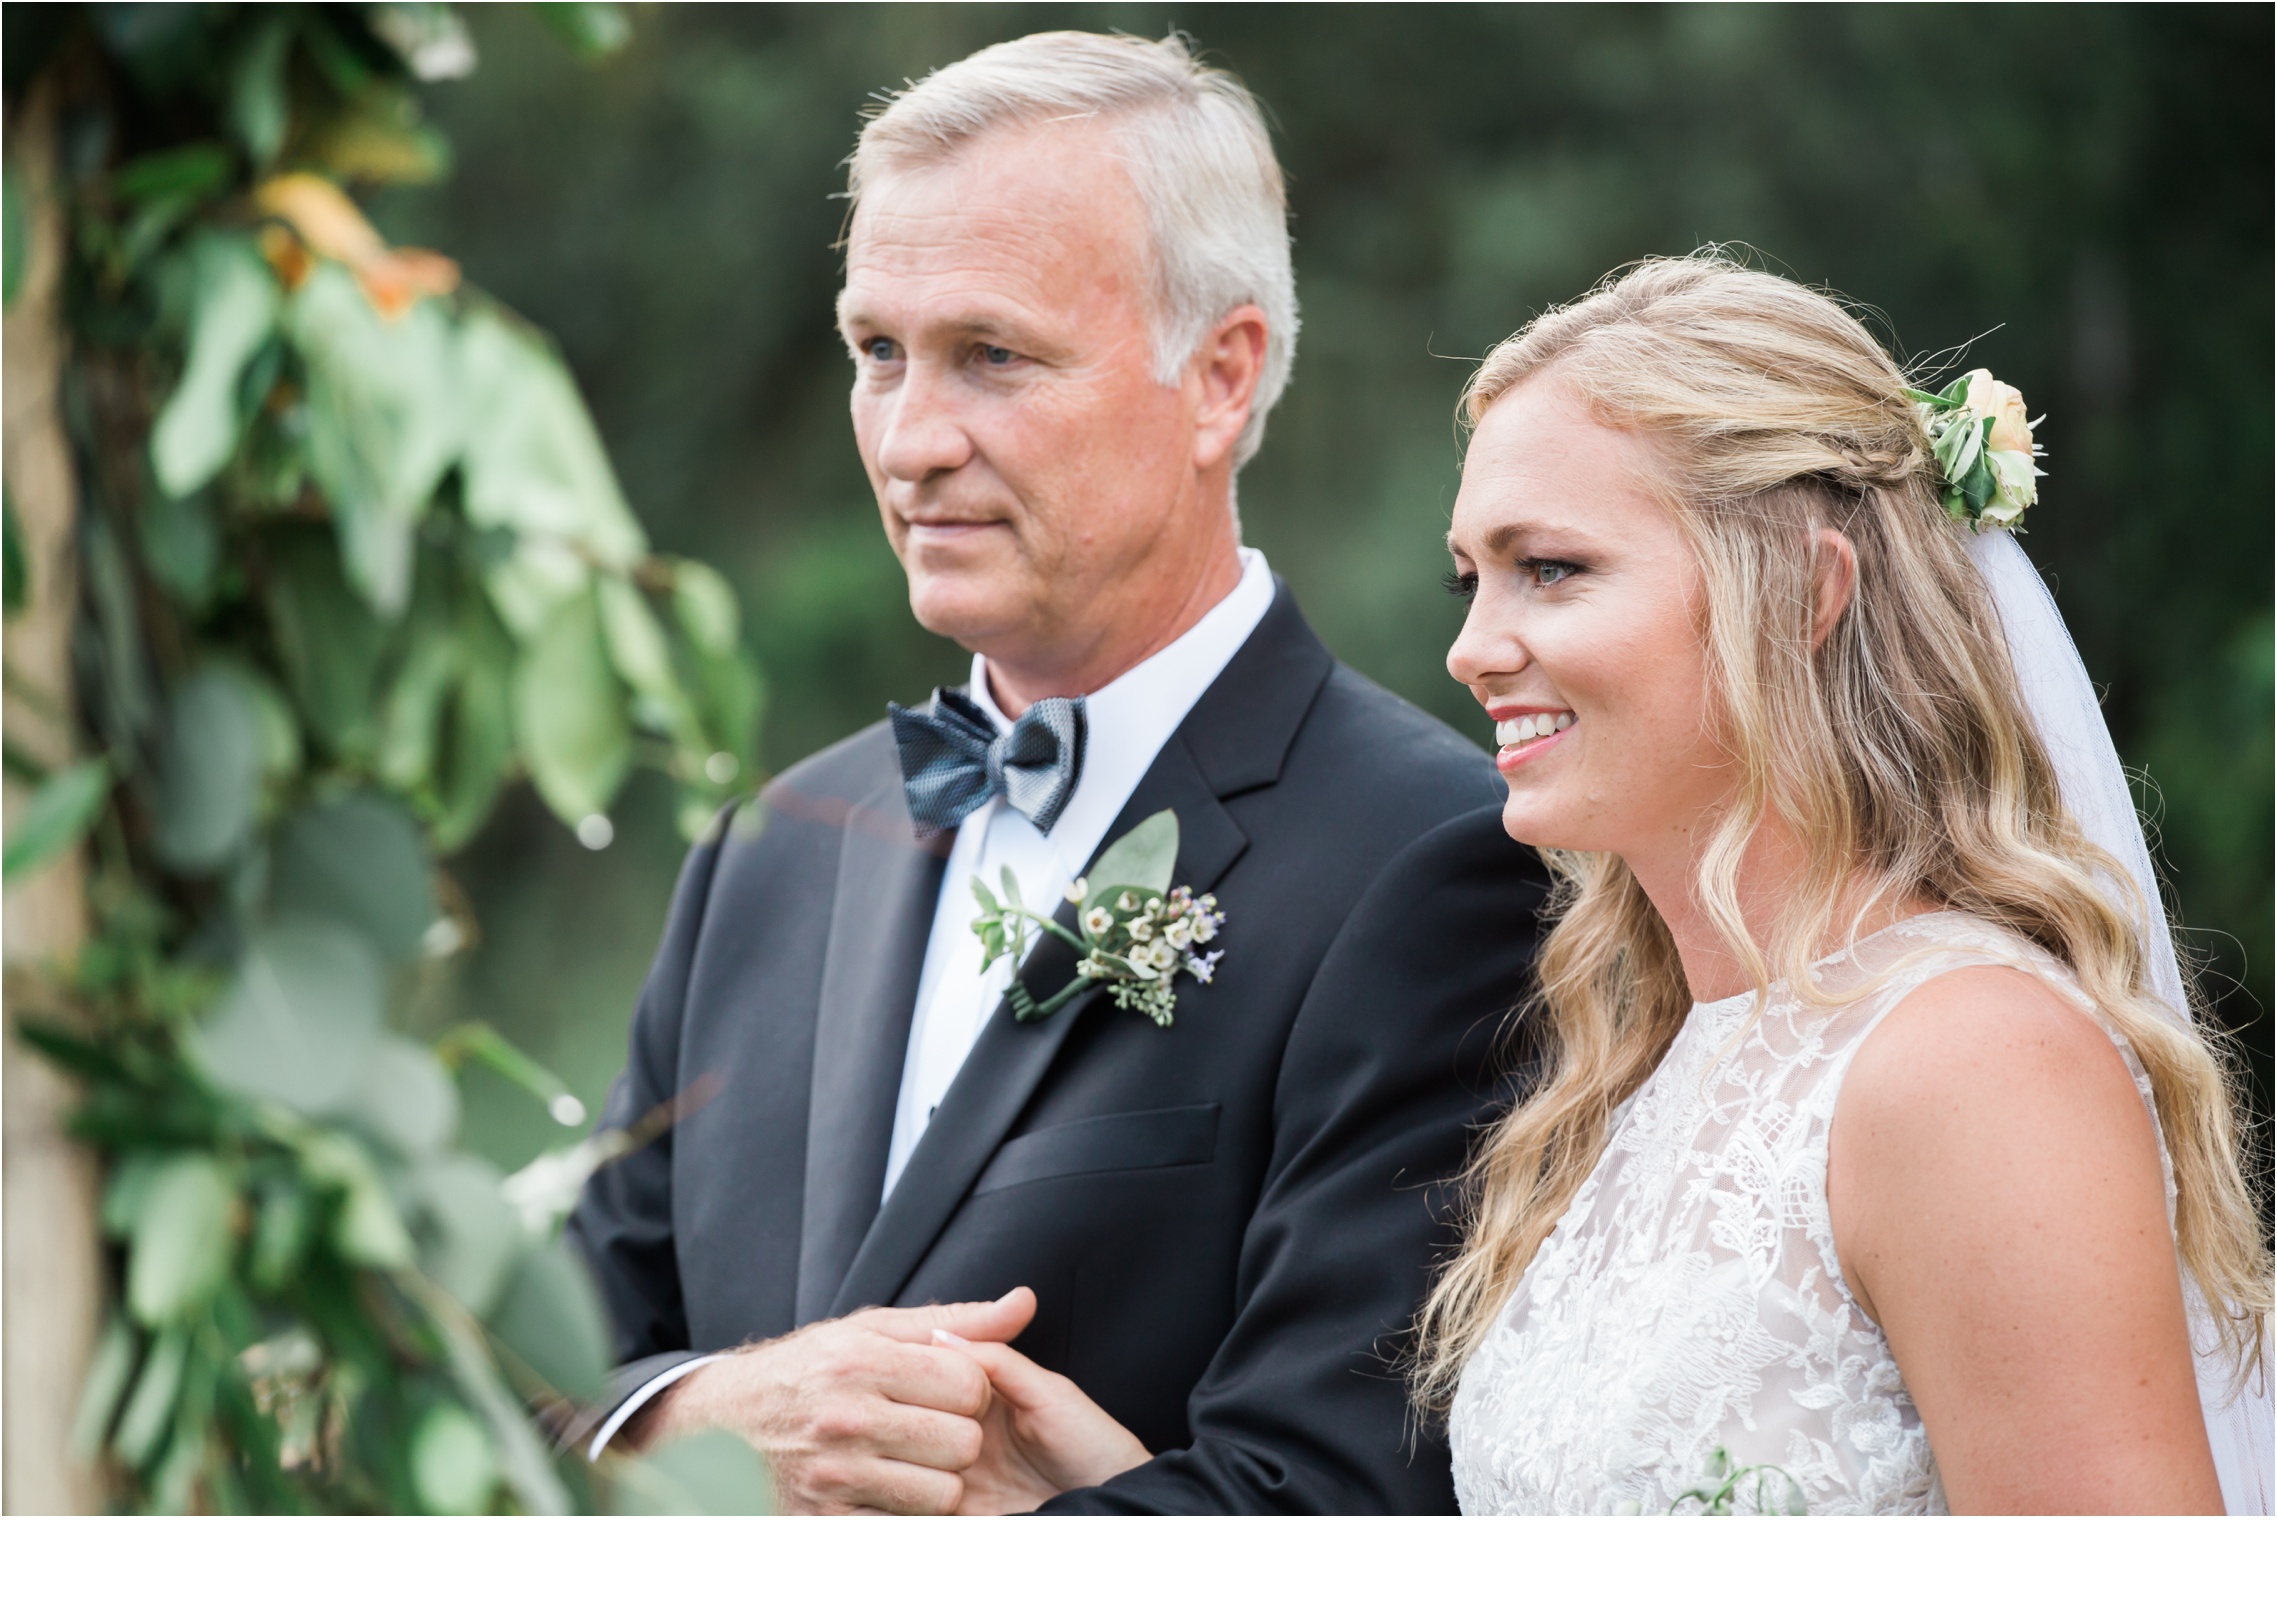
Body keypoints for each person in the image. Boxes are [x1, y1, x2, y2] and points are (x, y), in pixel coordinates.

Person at [565, 31, 1548, 1514]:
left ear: (1220, 376)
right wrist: (709, 1415)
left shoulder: (1438, 863)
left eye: (992, 356)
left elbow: (1338, 1507)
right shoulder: (770, 851)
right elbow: (525, 1366)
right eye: (876, 352)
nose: (909, 440)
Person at [1410, 253, 2274, 1514]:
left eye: (1550, 568)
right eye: (1468, 576)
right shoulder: (1657, 1054)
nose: (1472, 647)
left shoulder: (1973, 1063)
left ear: (1807, 592)